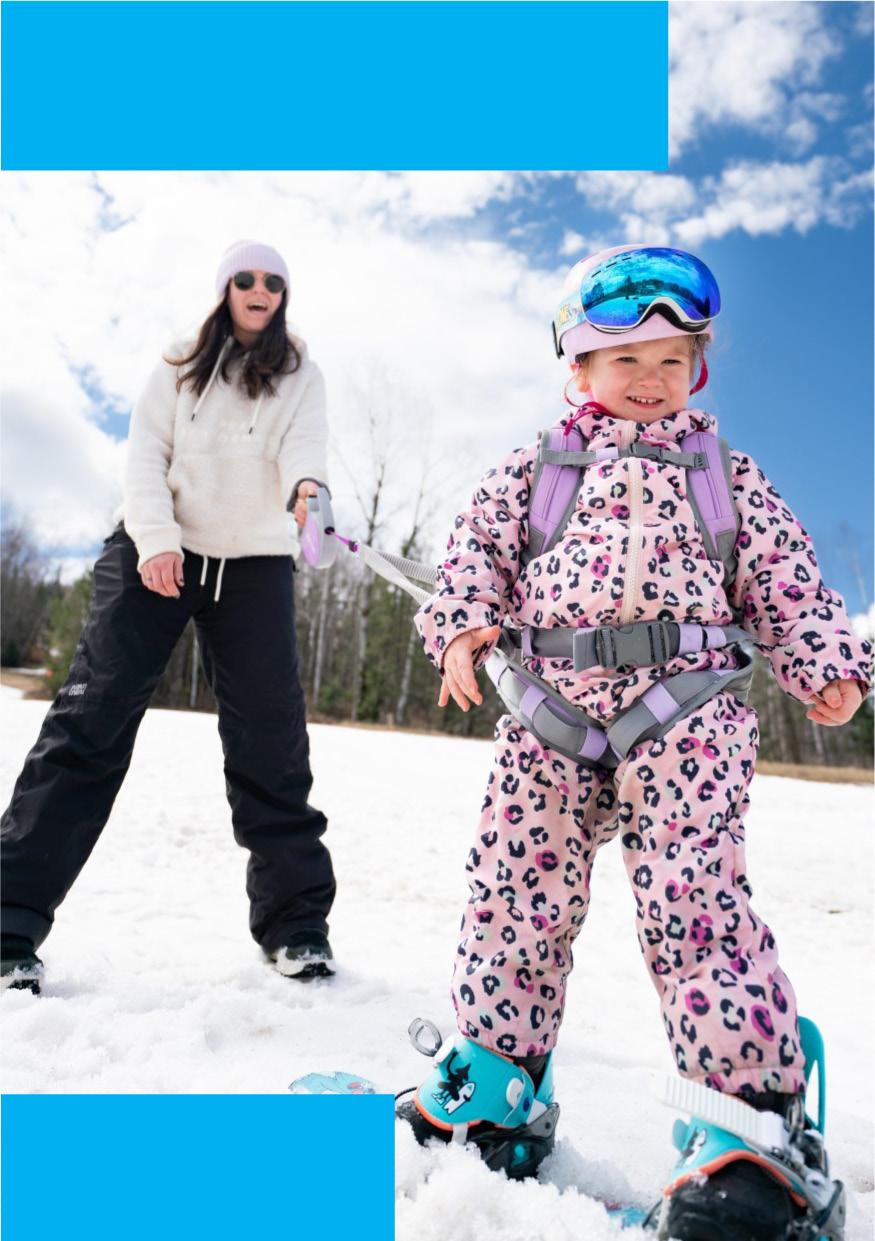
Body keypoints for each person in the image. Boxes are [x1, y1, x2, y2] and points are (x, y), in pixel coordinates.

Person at [397, 245, 871, 1239]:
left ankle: (752, 1127)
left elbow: (784, 579)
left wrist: (823, 660)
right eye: (625, 360)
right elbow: (472, 553)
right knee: (512, 894)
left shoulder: (725, 477)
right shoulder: (533, 470)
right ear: (578, 368)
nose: (650, 379)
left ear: (695, 369)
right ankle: (497, 1081)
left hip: (684, 714)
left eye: (671, 360)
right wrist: (463, 625)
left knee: (693, 901)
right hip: (548, 717)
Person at [1, 240, 336, 991]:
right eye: (245, 279)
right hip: (158, 547)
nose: (259, 289)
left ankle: (296, 926)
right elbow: (145, 455)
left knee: (272, 741)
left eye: (273, 281)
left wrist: (308, 489)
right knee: (89, 725)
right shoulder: (179, 363)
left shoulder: (300, 373)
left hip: (253, 560)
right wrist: (156, 540)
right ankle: (7, 922)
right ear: (225, 290)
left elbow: (304, 447)